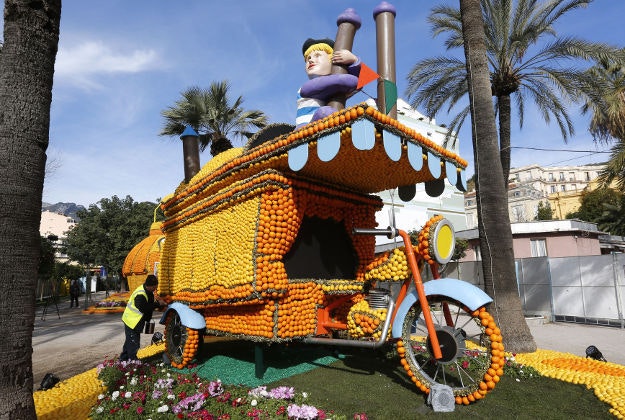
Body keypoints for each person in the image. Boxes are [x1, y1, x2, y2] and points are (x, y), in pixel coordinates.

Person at [296, 38, 361, 128]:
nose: (310, 60)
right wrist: (348, 80)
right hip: (303, 129)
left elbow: (359, 84)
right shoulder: (305, 88)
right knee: (325, 113)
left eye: (317, 55)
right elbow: (347, 81)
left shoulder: (332, 86)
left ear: (332, 61)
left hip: (325, 124)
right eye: (308, 58)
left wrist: (354, 60)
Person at [119, 274, 167, 361]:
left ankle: (123, 360)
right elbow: (143, 308)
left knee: (129, 341)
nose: (155, 289)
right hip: (132, 321)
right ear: (150, 286)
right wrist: (158, 304)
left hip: (135, 321)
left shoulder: (148, 292)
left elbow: (150, 305)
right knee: (134, 342)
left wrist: (159, 305)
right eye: (154, 287)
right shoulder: (140, 294)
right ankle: (133, 362)